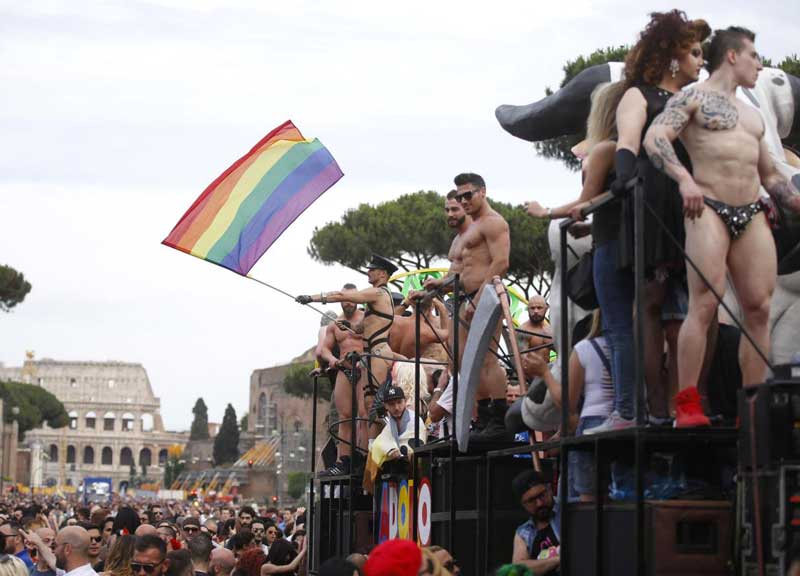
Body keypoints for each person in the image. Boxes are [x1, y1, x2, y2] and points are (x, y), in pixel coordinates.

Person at [644, 26, 800, 425]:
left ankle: (751, 404)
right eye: (754, 55)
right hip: (708, 207)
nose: (760, 64)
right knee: (705, 303)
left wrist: (795, 199)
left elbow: (769, 174)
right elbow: (655, 138)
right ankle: (688, 402)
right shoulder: (692, 98)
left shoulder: (752, 117)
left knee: (760, 308)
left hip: (751, 212)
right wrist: (684, 179)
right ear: (732, 56)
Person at [424, 173, 511, 441]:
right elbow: (458, 272)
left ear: (482, 192)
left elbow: (501, 263)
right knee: (462, 362)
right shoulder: (469, 230)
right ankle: (483, 418)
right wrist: (437, 284)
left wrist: (480, 296)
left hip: (484, 297)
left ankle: (498, 418)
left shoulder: (494, 223)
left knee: (486, 358)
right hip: (464, 300)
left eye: (467, 195)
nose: (463, 200)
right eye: (458, 197)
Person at [296, 254, 401, 465]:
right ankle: (364, 455)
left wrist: (312, 298)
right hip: (371, 354)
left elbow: (340, 296)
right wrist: (351, 328)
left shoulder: (377, 293)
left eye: (372, 269)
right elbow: (364, 328)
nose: (368, 272)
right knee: (368, 407)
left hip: (378, 352)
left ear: (383, 274)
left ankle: (373, 453)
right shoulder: (378, 298)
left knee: (373, 406)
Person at [314, 283, 367, 475]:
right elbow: (323, 350)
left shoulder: (366, 318)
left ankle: (363, 457)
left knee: (363, 414)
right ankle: (342, 461)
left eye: (352, 299)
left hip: (365, 367)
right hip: (345, 369)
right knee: (345, 417)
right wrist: (333, 361)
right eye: (344, 299)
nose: (348, 303)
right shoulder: (334, 324)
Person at [511, 470, 560, 574]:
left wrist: (538, 565)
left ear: (549, 489)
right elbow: (519, 569)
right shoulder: (524, 532)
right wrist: (557, 560)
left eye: (542, 495)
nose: (539, 503)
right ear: (523, 505)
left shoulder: (569, 512)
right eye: (531, 500)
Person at [517, 296, 552, 364]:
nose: (536, 311)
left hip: (550, 372)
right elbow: (523, 361)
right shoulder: (523, 330)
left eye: (539, 308)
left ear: (546, 309)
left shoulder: (551, 330)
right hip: (530, 373)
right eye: (532, 308)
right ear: (528, 309)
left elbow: (562, 354)